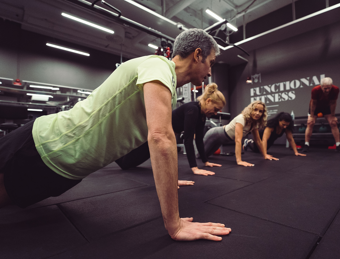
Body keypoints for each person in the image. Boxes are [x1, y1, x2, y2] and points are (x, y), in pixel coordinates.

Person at [0, 28, 231, 241]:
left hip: (65, 173)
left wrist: (169, 177)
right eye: (210, 62)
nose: (210, 71)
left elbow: (146, 141)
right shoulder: (158, 66)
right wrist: (175, 225)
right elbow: (160, 138)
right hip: (44, 146)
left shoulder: (167, 90)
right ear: (197, 55)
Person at [115, 83, 225, 176]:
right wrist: (194, 168)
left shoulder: (201, 115)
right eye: (216, 109)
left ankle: (115, 153)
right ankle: (112, 151)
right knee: (125, 164)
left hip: (163, 135)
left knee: (130, 164)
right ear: (208, 101)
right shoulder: (193, 110)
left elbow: (199, 139)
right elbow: (188, 139)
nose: (215, 113)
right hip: (156, 133)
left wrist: (205, 161)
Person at [202, 100, 275, 167]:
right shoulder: (241, 118)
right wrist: (239, 161)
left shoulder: (254, 123)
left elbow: (258, 140)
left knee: (206, 155)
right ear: (250, 110)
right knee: (199, 155)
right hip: (214, 134)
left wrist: (265, 155)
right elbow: (238, 140)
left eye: (260, 111)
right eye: (255, 110)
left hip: (221, 140)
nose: (257, 113)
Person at [300, 77, 340, 153]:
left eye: (329, 88)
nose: (327, 90)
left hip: (327, 107)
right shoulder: (315, 90)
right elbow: (313, 103)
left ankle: (338, 145)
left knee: (333, 123)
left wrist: (333, 116)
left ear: (331, 86)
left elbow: (333, 103)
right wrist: (311, 116)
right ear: (321, 86)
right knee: (310, 123)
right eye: (325, 88)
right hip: (315, 107)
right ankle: (306, 144)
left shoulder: (335, 89)